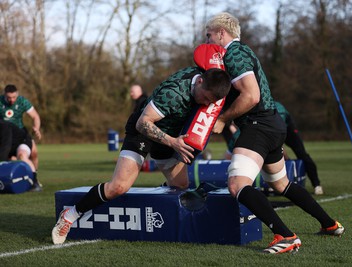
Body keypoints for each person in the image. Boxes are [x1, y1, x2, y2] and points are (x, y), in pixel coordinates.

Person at [206, 12, 344, 254]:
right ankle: (330, 224)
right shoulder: (245, 51)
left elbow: (251, 95)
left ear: (220, 33)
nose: (207, 41)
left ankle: (285, 235)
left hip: (259, 125)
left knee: (237, 183)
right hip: (273, 124)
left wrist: (223, 119)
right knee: (281, 184)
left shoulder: (234, 53)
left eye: (209, 35)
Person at [51, 67, 231, 245]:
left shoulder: (205, 75)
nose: (205, 104)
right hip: (143, 132)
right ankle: (70, 215)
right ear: (199, 81)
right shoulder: (173, 94)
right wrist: (173, 142)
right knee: (119, 186)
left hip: (171, 136)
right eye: (205, 98)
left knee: (181, 185)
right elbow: (142, 123)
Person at [274, 101, 324, 195]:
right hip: (272, 131)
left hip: (288, 130)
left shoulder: (278, 108)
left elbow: (279, 133)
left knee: (302, 154)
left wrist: (284, 155)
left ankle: (316, 184)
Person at [0, 84, 42, 171]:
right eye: (9, 97)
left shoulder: (22, 101)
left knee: (34, 153)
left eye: (14, 97)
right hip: (4, 135)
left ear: (17, 94)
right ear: (4, 95)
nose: (11, 100)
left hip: (20, 132)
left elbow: (35, 116)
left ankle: (35, 177)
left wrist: (37, 128)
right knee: (9, 157)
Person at [0, 119, 42, 191]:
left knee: (22, 155)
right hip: (11, 146)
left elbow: (5, 147)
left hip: (23, 141)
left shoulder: (4, 126)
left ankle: (34, 182)